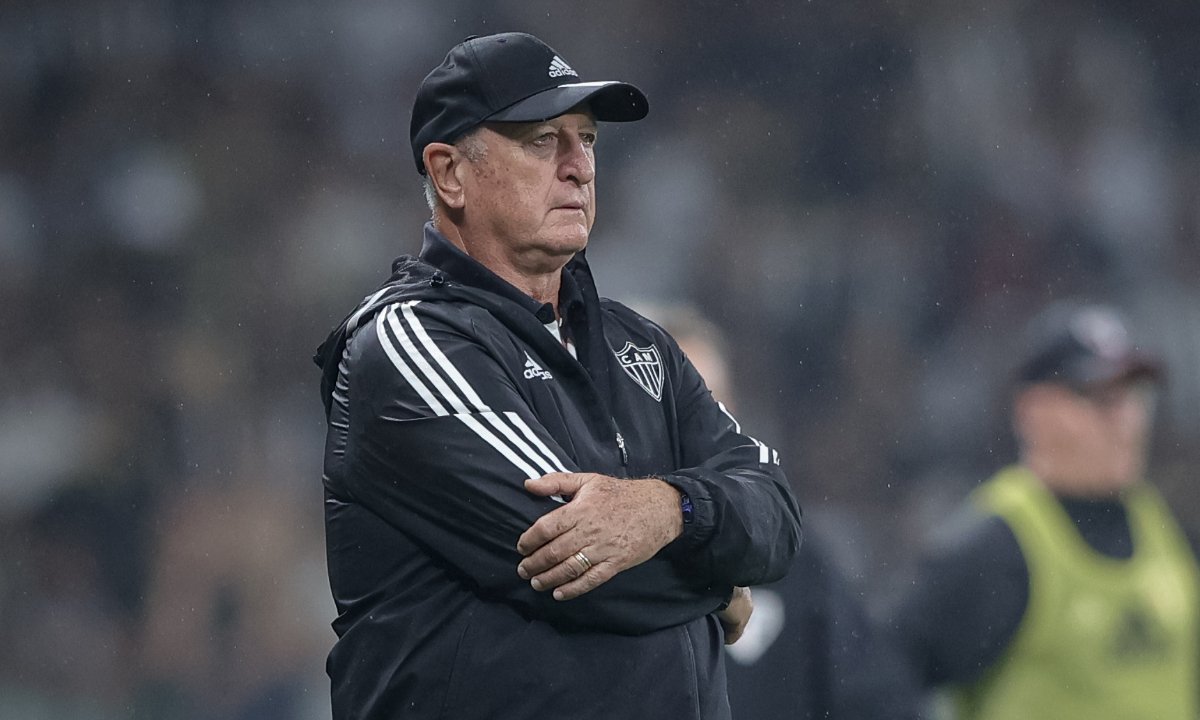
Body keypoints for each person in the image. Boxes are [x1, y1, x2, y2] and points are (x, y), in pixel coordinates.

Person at [313, 32, 802, 720]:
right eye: (543, 141)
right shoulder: (406, 345)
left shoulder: (644, 347)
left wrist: (670, 510)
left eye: (588, 139)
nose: (579, 167)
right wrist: (719, 579)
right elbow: (579, 567)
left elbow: (777, 513)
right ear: (449, 172)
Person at [884, 302, 1199, 719]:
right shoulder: (995, 550)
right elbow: (873, 676)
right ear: (1033, 411)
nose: (1129, 419)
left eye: (1137, 396)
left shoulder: (1165, 529)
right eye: (1103, 399)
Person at [648, 303, 919, 720]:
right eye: (671, 407)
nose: (696, 427)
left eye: (711, 405)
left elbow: (877, 699)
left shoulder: (788, 557)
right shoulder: (588, 553)